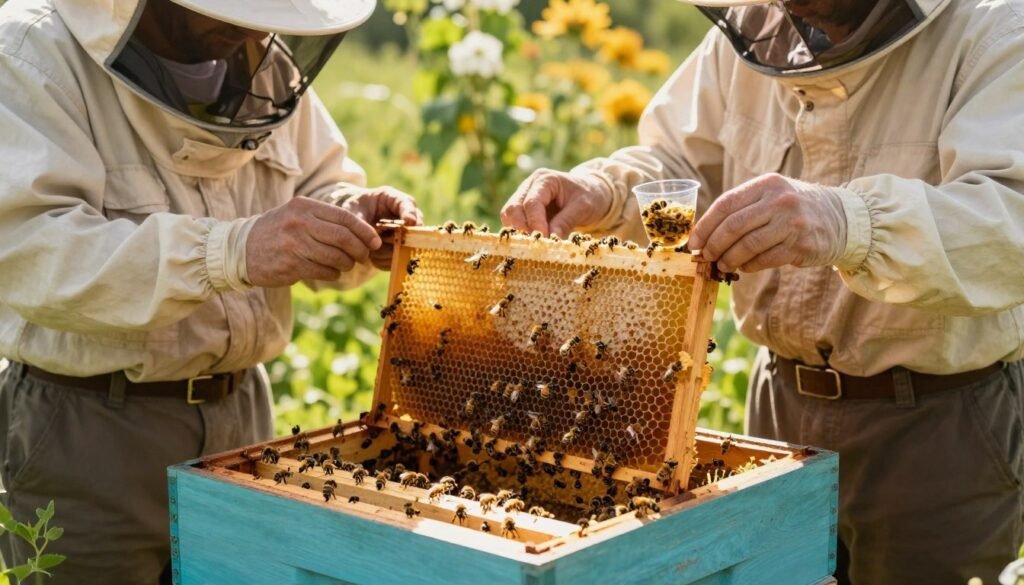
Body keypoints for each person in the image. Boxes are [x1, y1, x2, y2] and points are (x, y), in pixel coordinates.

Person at [502, 0, 1024, 583]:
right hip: (776, 408)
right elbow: (679, 161)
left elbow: (1012, 215)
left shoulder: (997, 28)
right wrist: (606, 190)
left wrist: (847, 221)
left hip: (936, 430)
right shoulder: (756, 30)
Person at [0, 0, 420, 582]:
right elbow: (32, 254)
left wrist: (350, 216)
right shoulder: (32, 53)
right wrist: (233, 251)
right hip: (92, 430)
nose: (252, 29)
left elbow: (321, 181)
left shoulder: (262, 57)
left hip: (244, 417)